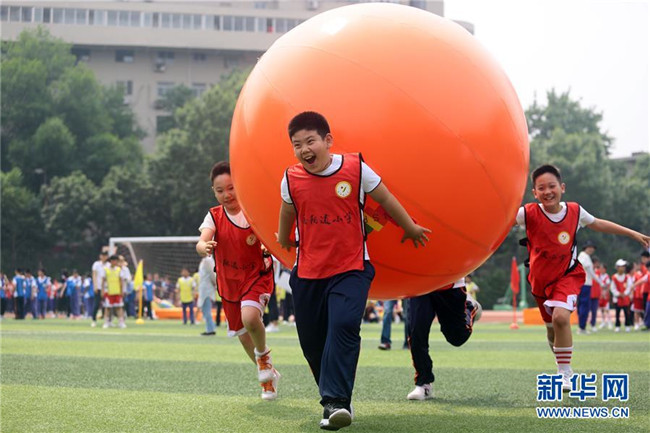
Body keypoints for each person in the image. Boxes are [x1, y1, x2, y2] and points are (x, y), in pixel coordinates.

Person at [276, 111, 431, 430]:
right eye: (297, 145)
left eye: (310, 141)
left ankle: (337, 402)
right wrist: (282, 238)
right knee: (312, 344)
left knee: (344, 326)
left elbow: (385, 199)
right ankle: (331, 399)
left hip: (351, 268)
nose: (304, 150)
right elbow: (287, 212)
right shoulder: (290, 179)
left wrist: (409, 227)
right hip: (307, 273)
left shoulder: (356, 169)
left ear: (327, 141)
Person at [516, 164, 649, 390]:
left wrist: (632, 233)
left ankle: (565, 372)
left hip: (567, 276)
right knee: (551, 329)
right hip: (539, 282)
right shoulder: (527, 213)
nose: (547, 191)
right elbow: (498, 222)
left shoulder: (575, 212)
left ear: (562, 187)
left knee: (560, 318)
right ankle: (561, 362)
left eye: (552, 186)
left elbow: (598, 224)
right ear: (534, 193)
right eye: (541, 188)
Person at [196, 161, 279, 400]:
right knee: (243, 336)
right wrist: (204, 247)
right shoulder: (214, 216)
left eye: (231, 188)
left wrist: (269, 244)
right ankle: (268, 376)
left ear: (240, 185)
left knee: (250, 318)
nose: (227, 194)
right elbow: (202, 241)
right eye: (220, 190)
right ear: (214, 192)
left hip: (256, 276)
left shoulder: (253, 209)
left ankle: (264, 359)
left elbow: (271, 235)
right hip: (229, 283)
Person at [406, 278, 481, 400]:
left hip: (449, 282)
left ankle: (470, 307)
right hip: (420, 283)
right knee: (416, 332)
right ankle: (423, 383)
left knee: (457, 337)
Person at [576, 242, 598, 334]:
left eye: (592, 248)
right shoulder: (584, 256)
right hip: (585, 284)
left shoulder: (583, 256)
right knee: (584, 306)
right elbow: (590, 271)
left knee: (581, 305)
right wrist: (600, 282)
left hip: (582, 284)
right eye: (590, 247)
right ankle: (582, 327)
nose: (591, 249)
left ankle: (581, 326)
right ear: (586, 248)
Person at [102, 255, 126, 329]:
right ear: (111, 261)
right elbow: (103, 280)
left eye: (116, 261)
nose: (116, 262)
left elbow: (121, 281)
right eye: (114, 260)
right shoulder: (106, 269)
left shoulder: (119, 270)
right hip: (108, 291)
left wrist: (122, 291)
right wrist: (102, 290)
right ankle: (106, 322)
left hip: (117, 291)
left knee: (119, 307)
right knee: (107, 308)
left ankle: (121, 322)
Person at [610, 259, 633, 332]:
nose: (622, 268)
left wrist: (625, 293)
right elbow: (612, 288)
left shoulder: (627, 277)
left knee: (627, 313)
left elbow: (629, 287)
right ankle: (617, 325)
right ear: (617, 267)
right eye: (621, 266)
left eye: (623, 266)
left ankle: (627, 325)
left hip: (625, 298)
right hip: (617, 299)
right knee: (617, 313)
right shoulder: (614, 277)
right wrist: (618, 294)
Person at [197, 256, 217, 336]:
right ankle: (210, 328)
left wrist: (215, 283)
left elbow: (212, 273)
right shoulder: (205, 260)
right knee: (205, 309)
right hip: (204, 289)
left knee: (206, 309)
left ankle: (210, 329)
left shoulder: (208, 260)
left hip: (207, 289)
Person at [91, 251, 107, 327]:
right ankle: (94, 320)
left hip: (106, 288)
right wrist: (95, 286)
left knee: (107, 305)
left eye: (105, 256)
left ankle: (107, 321)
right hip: (98, 287)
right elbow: (94, 275)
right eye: (102, 255)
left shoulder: (108, 265)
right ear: (100, 256)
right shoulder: (96, 264)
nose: (104, 257)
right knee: (96, 304)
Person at [596, 263, 612, 330]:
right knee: (602, 309)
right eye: (600, 268)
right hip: (600, 295)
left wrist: (605, 293)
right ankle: (603, 322)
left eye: (602, 268)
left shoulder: (606, 276)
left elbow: (608, 286)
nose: (600, 270)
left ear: (605, 269)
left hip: (605, 295)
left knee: (607, 309)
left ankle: (609, 322)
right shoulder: (598, 276)